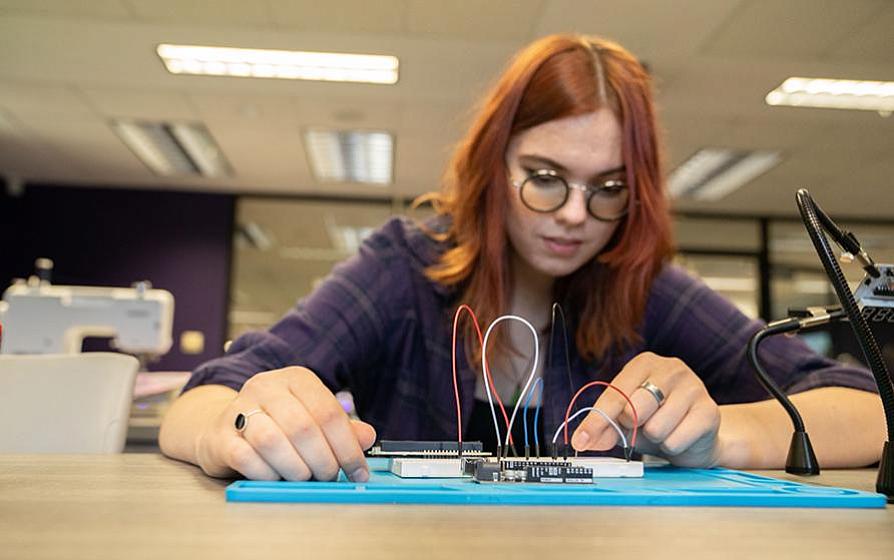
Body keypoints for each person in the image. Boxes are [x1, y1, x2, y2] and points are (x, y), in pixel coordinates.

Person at [159, 34, 884, 482]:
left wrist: (721, 436)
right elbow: (202, 403)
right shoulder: (403, 268)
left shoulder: (644, 287)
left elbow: (872, 408)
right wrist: (241, 426)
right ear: (492, 165)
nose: (575, 214)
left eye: (609, 188)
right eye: (544, 177)